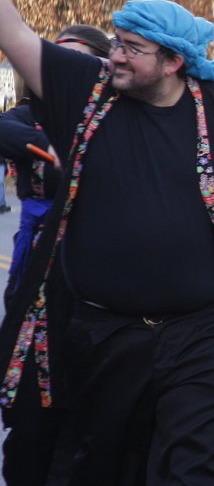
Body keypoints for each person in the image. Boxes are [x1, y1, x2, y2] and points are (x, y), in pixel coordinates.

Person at [0, 0, 214, 484]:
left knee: (210, 468)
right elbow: (14, 33)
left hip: (199, 336)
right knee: (108, 470)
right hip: (102, 339)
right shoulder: (86, 90)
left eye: (131, 47)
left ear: (172, 62)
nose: (116, 56)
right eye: (116, 42)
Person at [0, 24, 110, 486]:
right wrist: (47, 150)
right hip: (38, 260)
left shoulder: (112, 116)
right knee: (31, 383)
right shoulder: (30, 115)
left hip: (95, 264)